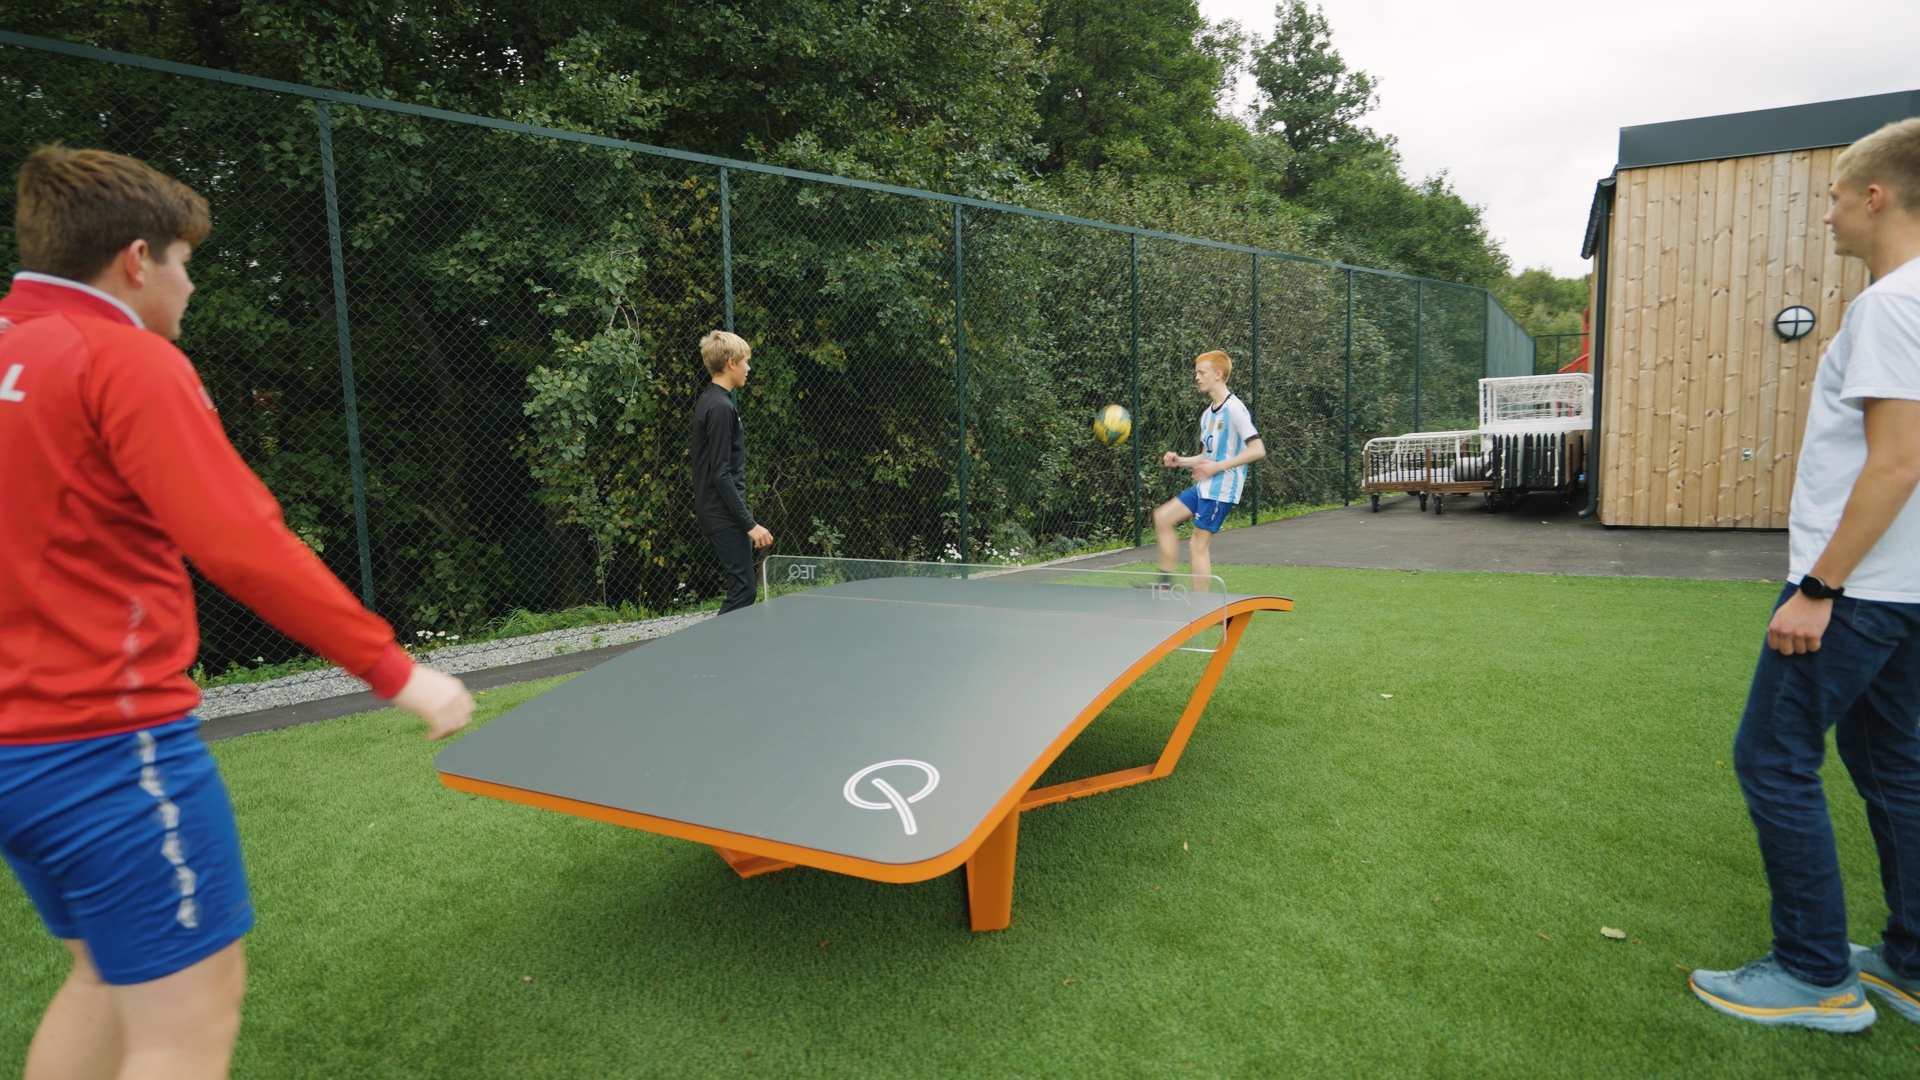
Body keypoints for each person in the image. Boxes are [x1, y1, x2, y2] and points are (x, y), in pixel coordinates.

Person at [0, 146, 475, 1080]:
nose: (191, 285)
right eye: (186, 262)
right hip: (107, 750)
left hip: (17, 759)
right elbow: (242, 542)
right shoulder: (124, 359)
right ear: (138, 260)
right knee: (182, 1034)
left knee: (101, 979)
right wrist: (396, 670)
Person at [1690, 117, 1920, 1033]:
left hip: (1858, 591)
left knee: (1773, 756)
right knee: (1894, 764)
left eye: (1835, 195)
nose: (1827, 214)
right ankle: (1910, 963)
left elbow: (1897, 462)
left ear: (1877, 195)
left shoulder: (1892, 305)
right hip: (1905, 589)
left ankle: (1814, 973)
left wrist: (1819, 588)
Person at [1151, 349, 1266, 592]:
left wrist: (1217, 467)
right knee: (1162, 517)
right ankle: (1165, 584)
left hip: (1222, 489)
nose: (1197, 377)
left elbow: (1257, 450)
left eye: (1201, 372)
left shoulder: (1235, 409)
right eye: (1196, 373)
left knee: (1197, 546)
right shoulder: (1207, 415)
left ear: (1218, 375)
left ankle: (1201, 605)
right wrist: (1180, 461)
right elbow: (1206, 456)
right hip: (1205, 486)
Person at [690, 330, 772, 613]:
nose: (748, 368)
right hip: (721, 512)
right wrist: (750, 524)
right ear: (731, 363)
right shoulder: (720, 407)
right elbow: (720, 473)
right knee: (743, 591)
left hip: (718, 510)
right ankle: (711, 642)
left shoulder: (712, 401)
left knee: (743, 589)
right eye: (745, 361)